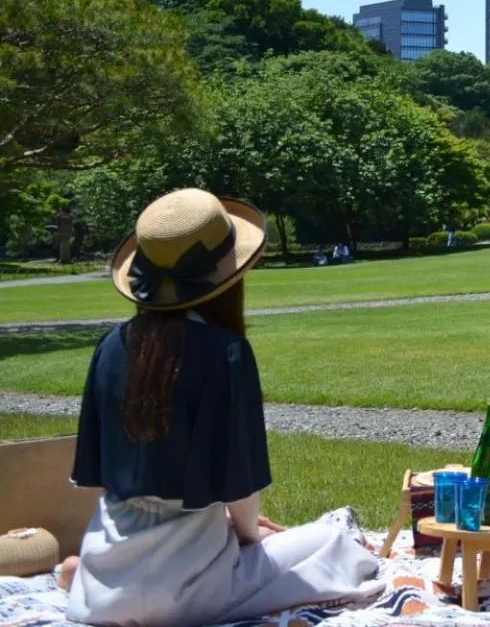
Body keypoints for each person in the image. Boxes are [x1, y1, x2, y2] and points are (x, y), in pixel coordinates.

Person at [61, 188, 381, 626]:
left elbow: (101, 474)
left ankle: (84, 581)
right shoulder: (226, 352)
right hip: (189, 590)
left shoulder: (110, 349)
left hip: (105, 582)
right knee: (335, 541)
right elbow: (240, 486)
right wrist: (248, 532)